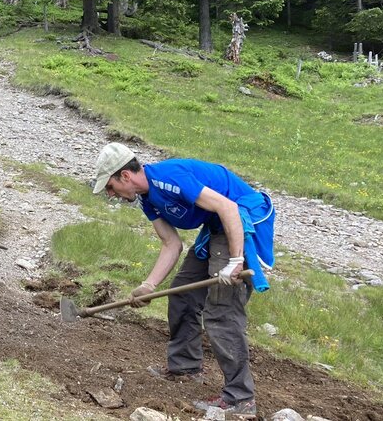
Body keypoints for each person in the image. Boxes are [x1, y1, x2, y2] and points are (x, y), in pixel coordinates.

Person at [92, 142, 275, 419]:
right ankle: (186, 368)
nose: (110, 194)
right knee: (182, 293)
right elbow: (171, 244)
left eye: (110, 186)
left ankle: (241, 398)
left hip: (239, 220)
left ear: (125, 176)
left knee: (222, 313)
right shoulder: (148, 199)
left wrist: (236, 261)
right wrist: (148, 285)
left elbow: (227, 207)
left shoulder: (169, 178)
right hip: (216, 227)